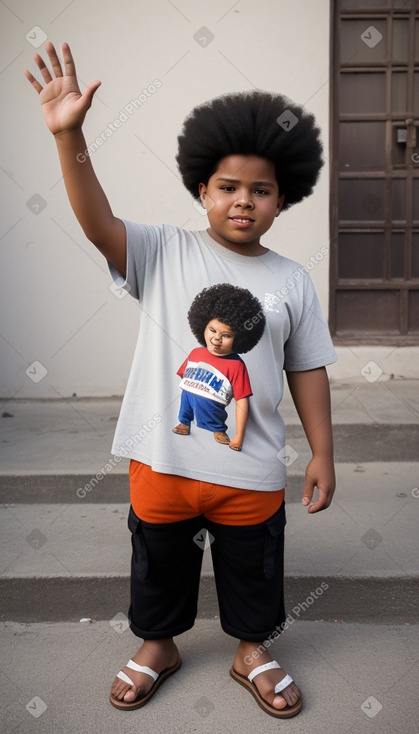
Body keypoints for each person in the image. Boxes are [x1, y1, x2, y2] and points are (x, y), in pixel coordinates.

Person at [25, 42, 337, 719]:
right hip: (162, 460)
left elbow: (306, 365)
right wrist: (70, 136)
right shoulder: (164, 251)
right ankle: (157, 644)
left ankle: (251, 650)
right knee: (157, 561)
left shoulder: (290, 279)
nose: (243, 202)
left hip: (249, 468)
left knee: (253, 567)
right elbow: (96, 221)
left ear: (284, 196)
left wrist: (321, 451)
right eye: (228, 187)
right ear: (202, 188)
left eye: (261, 190)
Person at [172, 283, 266, 451]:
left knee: (211, 411)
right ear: (202, 325)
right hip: (188, 402)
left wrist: (239, 435)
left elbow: (242, 402)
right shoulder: (195, 353)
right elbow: (183, 376)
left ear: (239, 338)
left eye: (226, 335)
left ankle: (218, 430)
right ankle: (184, 422)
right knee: (187, 397)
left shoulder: (236, 365)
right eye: (212, 330)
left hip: (215, 411)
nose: (216, 339)